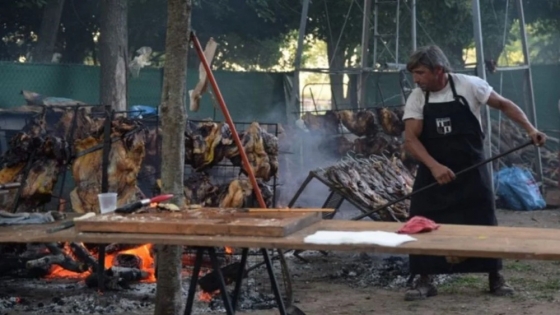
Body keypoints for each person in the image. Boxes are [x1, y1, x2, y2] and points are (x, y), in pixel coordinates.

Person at [401, 45, 547, 301]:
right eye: (414, 74)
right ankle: (425, 279)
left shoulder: (470, 86)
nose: (416, 79)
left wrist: (530, 129)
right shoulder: (417, 97)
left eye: (420, 73)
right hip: (434, 170)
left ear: (439, 70)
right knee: (422, 221)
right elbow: (411, 139)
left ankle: (495, 277)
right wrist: (434, 167)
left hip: (471, 169)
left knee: (483, 220)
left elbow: (504, 104)